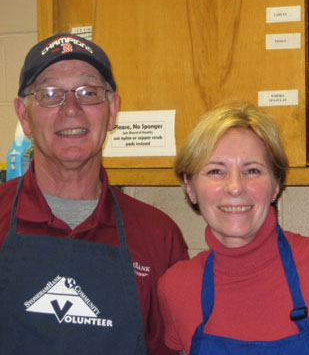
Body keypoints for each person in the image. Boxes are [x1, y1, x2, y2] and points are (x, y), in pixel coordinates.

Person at [157, 99, 309, 354]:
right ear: (189, 187)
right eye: (216, 172)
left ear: (275, 185)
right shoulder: (175, 287)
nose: (235, 187)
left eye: (252, 171)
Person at [0, 33, 189, 354]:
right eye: (49, 93)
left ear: (113, 110)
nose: (71, 108)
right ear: (24, 115)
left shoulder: (158, 235)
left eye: (89, 93)